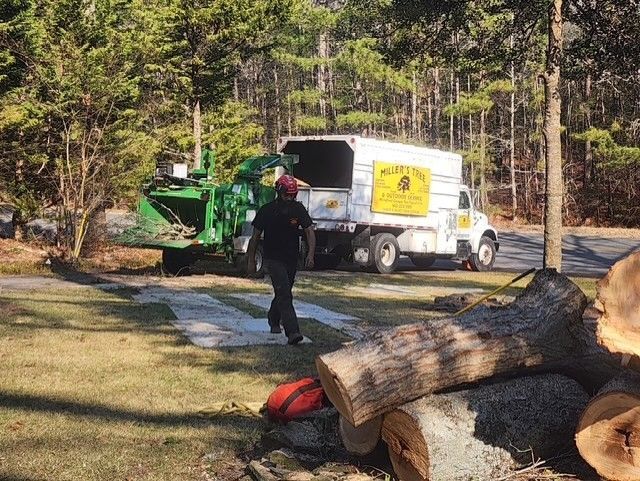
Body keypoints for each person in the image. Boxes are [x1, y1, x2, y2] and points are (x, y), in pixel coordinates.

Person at [246, 174, 316, 345]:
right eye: (286, 195)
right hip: (273, 259)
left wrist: (310, 254)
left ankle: (273, 318)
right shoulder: (266, 210)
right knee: (284, 292)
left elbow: (309, 231)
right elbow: (255, 237)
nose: (289, 198)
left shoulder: (298, 209)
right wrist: (250, 261)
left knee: (283, 291)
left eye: (292, 195)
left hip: (292, 259)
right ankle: (293, 331)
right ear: (279, 192)